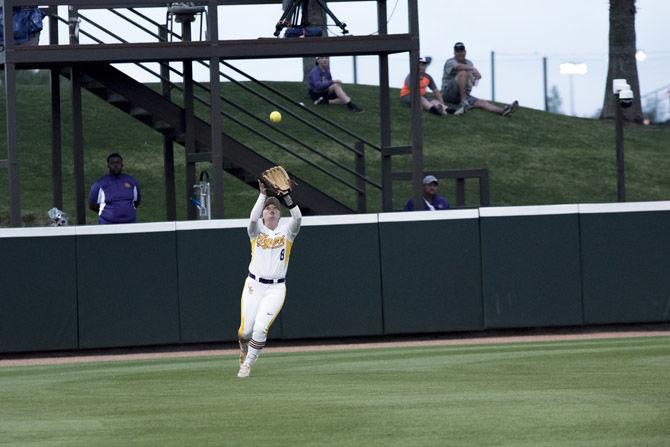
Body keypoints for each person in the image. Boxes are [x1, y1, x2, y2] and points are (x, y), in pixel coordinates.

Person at [237, 181, 302, 378]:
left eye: (275, 208)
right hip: (254, 285)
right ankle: (243, 346)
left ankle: (247, 364)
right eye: (268, 209)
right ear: (263, 213)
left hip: (276, 288)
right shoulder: (256, 232)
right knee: (244, 332)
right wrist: (262, 196)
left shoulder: (287, 231)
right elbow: (251, 218)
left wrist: (287, 196)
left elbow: (298, 217)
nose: (271, 211)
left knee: (260, 328)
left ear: (279, 214)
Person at [441, 42, 519, 117]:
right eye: (457, 51)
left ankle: (503, 111)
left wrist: (476, 78)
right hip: (447, 94)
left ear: (465, 52)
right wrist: (473, 69)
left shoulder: (469, 63)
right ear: (454, 53)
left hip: (461, 95)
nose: (460, 53)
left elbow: (472, 83)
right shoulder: (450, 62)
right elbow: (457, 67)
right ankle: (464, 102)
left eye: (461, 50)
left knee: (482, 102)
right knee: (463, 72)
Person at [88, 153, 141, 224]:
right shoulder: (99, 184)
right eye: (112, 163)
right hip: (108, 225)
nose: (116, 165)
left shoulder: (132, 182)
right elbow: (92, 206)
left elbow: (136, 202)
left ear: (122, 165)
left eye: (118, 163)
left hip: (129, 224)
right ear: (108, 165)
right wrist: (107, 214)